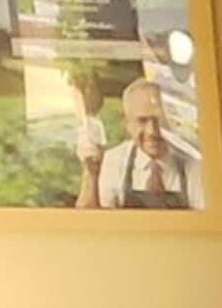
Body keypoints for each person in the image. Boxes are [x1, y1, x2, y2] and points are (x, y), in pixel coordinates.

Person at [75, 74, 196, 210]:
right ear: (127, 124)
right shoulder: (114, 161)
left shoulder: (193, 164)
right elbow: (95, 221)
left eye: (160, 120)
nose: (152, 131)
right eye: (142, 121)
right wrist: (90, 174)